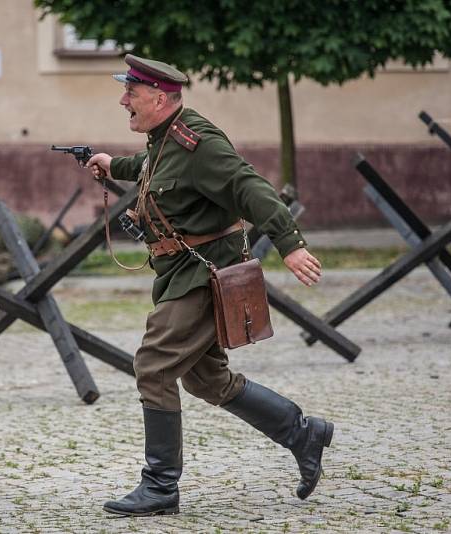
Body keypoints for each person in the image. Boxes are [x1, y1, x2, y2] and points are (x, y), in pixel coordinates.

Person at [86, 54, 332, 516]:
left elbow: (248, 186)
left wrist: (290, 244)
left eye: (131, 94)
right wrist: (112, 164)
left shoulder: (198, 142)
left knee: (154, 365)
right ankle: (303, 433)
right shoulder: (165, 138)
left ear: (159, 98)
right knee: (208, 379)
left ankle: (160, 487)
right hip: (182, 271)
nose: (124, 101)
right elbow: (152, 167)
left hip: (205, 273)